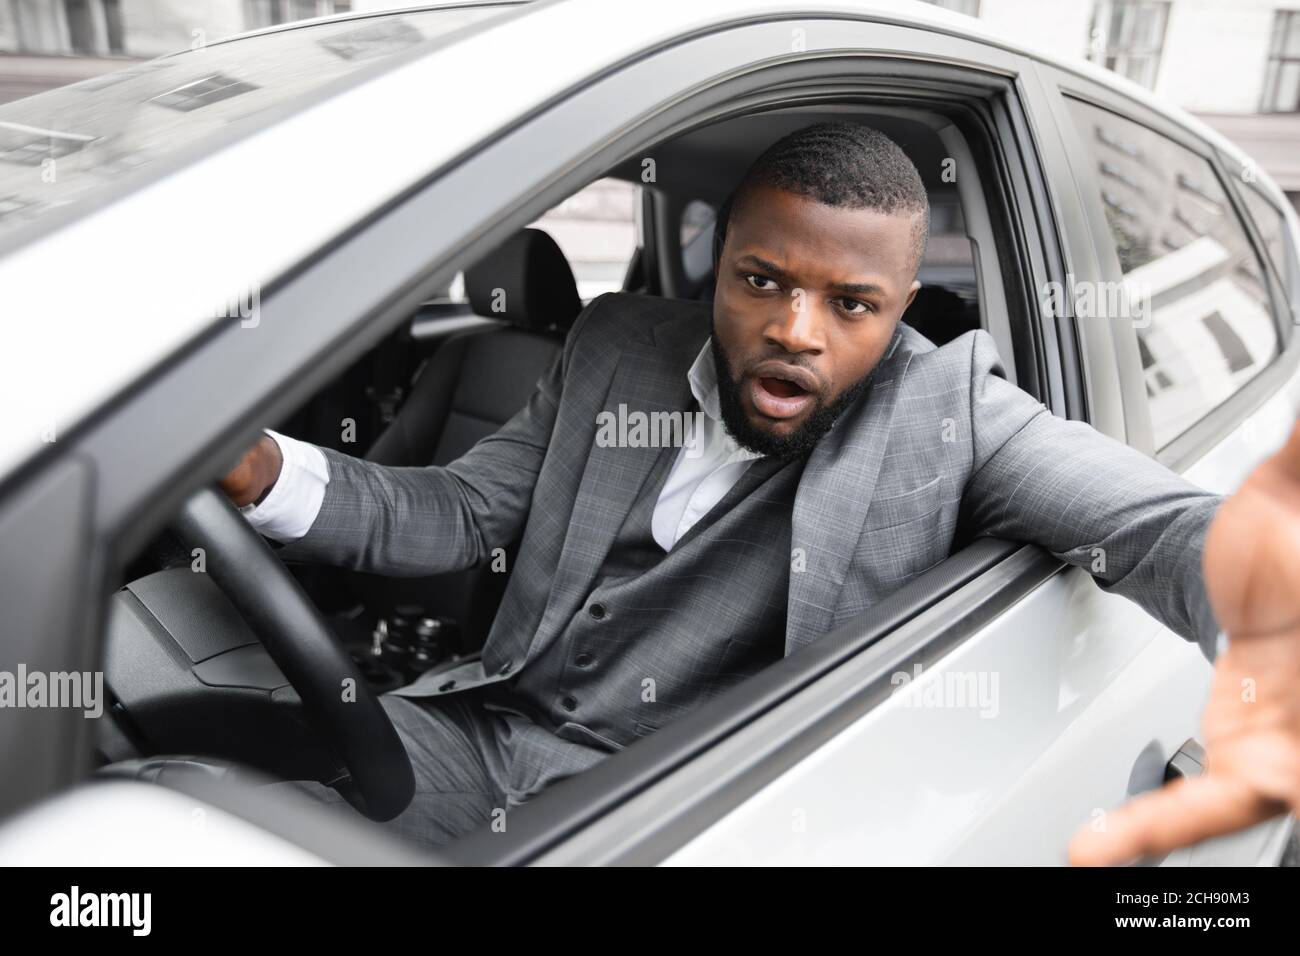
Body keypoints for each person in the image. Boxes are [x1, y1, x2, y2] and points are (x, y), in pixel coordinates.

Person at [221, 122, 1300, 863]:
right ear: (715, 262)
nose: (796, 328)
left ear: (902, 310)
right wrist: (259, 464)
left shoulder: (950, 410)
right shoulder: (614, 348)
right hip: (487, 731)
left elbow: (1167, 529)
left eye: (852, 301)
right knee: (206, 813)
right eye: (763, 280)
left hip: (694, 811)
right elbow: (454, 513)